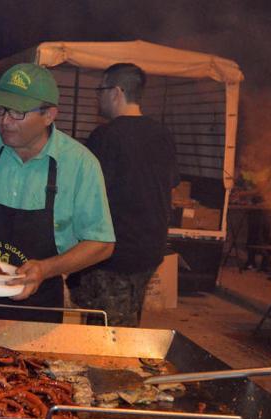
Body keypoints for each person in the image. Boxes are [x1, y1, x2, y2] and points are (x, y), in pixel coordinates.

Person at [0, 62, 115, 324]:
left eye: (17, 112)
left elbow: (101, 244)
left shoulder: (80, 165)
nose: (4, 121)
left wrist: (45, 268)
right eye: (0, 109)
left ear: (49, 115)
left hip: (36, 308)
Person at [68, 63, 180, 327]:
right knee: (127, 323)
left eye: (101, 90)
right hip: (150, 251)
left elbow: (86, 196)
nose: (98, 97)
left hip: (114, 255)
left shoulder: (106, 136)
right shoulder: (163, 134)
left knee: (108, 337)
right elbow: (170, 186)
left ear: (116, 92)